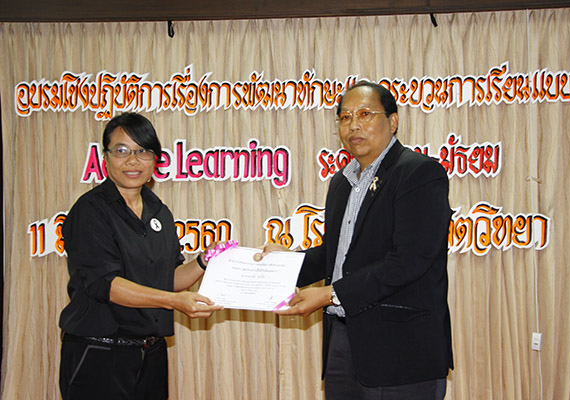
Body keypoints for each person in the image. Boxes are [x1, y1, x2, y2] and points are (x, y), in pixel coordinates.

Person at [257, 82, 453, 399]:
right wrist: (283, 264)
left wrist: (329, 294)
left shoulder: (418, 173)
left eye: (365, 114)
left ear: (392, 121)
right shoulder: (342, 182)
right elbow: (335, 256)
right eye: (345, 117)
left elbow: (409, 260)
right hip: (343, 343)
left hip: (402, 352)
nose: (353, 125)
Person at [58, 112, 223, 400]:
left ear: (155, 159)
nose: (133, 161)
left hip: (151, 353)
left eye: (143, 151)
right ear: (105, 157)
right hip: (100, 353)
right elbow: (106, 285)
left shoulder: (159, 211)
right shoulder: (90, 211)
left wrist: (204, 261)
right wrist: (174, 302)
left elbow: (167, 279)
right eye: (122, 151)